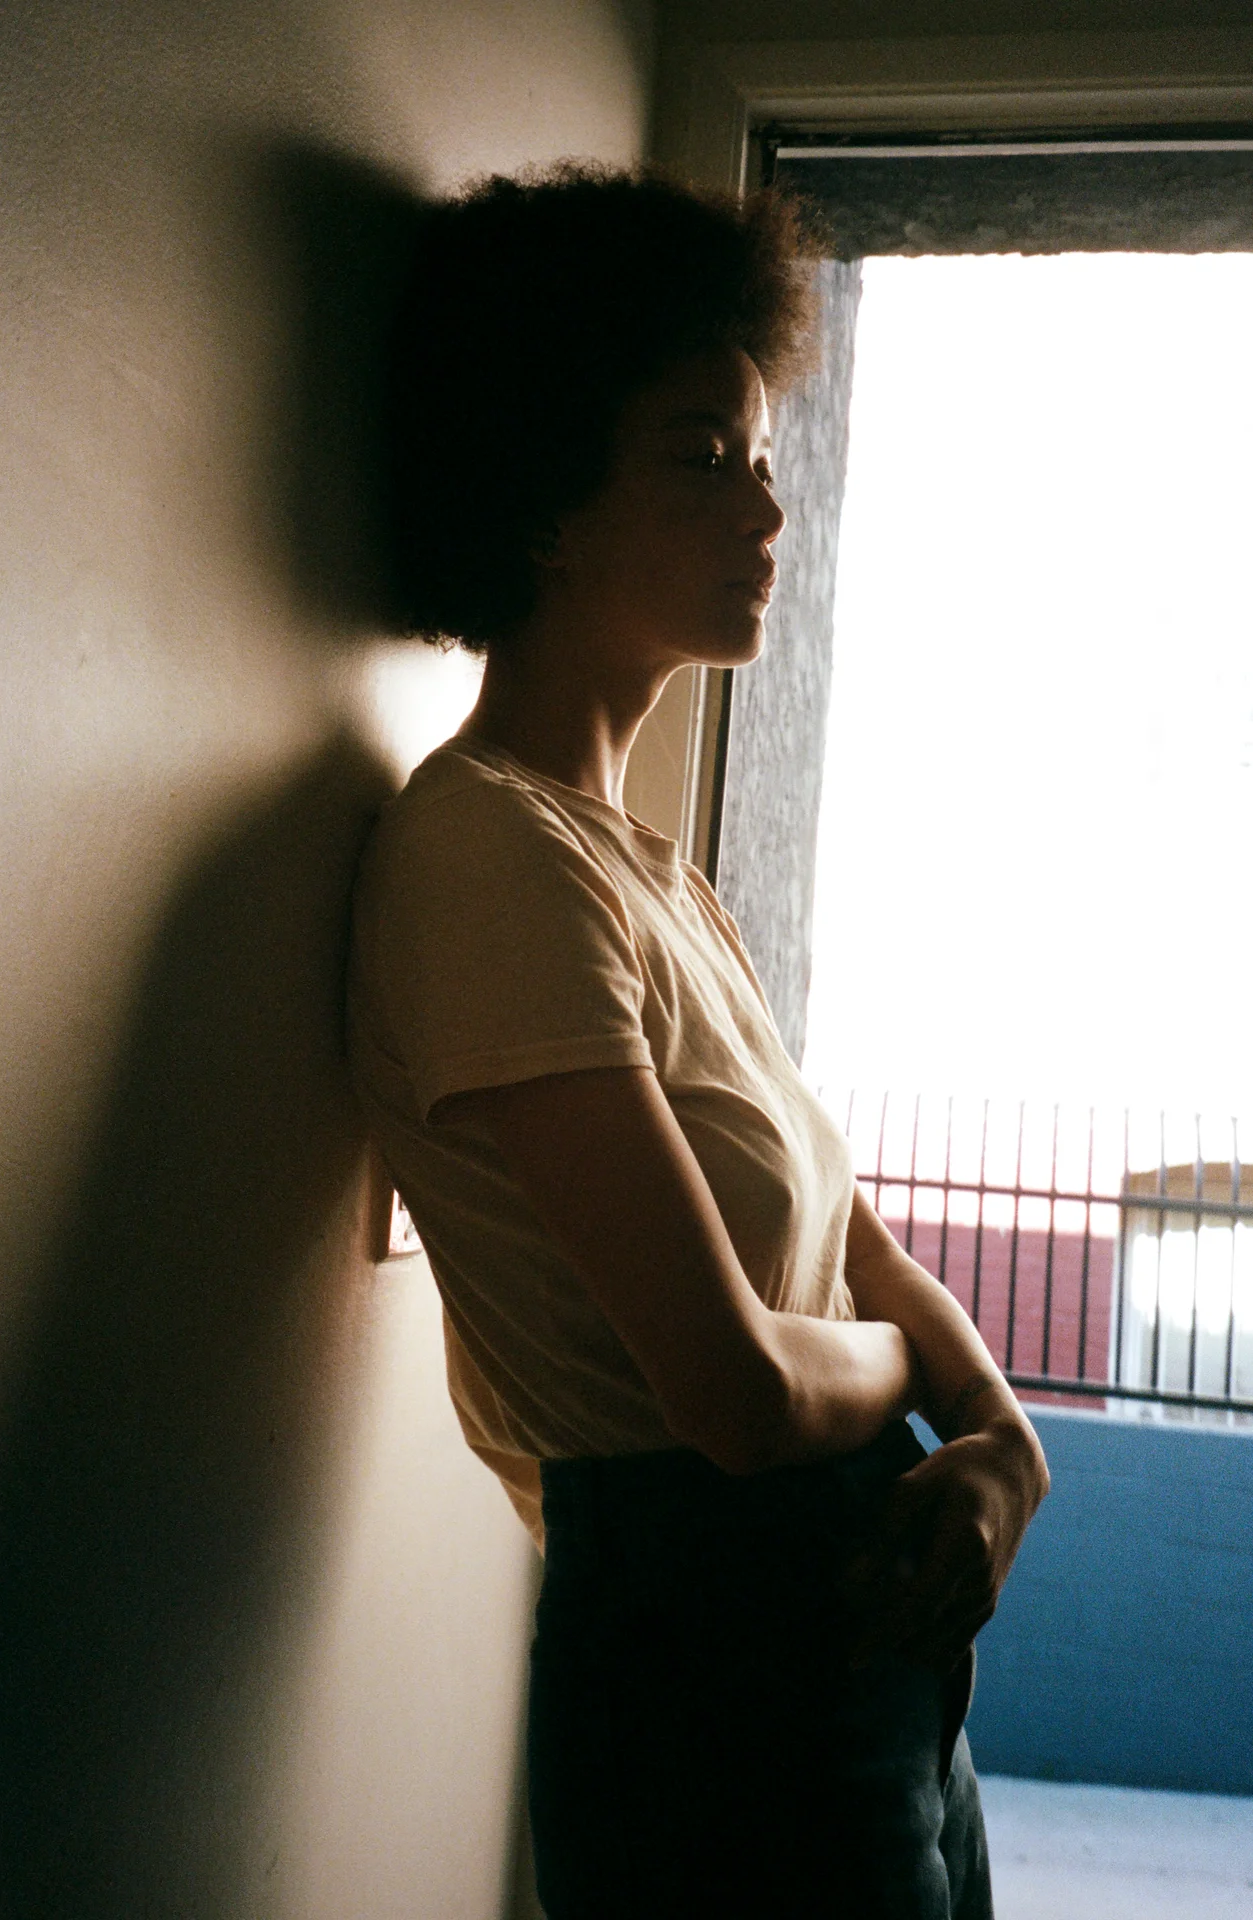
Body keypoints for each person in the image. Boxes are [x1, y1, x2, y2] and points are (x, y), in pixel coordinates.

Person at [347, 165, 1049, 1919]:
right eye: (701, 456)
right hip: (715, 1696)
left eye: (763, 455)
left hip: (863, 1662)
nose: (768, 507)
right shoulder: (486, 856)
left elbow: (852, 1239)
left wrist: (1003, 1444)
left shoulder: (651, 873)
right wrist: (919, 1412)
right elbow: (736, 1395)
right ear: (543, 503)